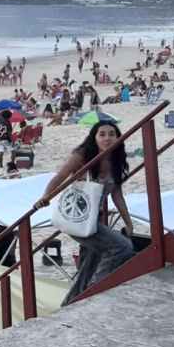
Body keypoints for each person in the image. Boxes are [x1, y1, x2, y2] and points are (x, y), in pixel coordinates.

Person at [36, 121, 136, 305]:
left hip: (94, 219)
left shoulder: (116, 160)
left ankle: (70, 304)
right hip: (77, 218)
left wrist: (128, 222)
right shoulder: (83, 156)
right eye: (102, 134)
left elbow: (117, 194)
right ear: (94, 137)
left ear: (118, 137)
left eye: (111, 134)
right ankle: (94, 292)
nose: (107, 138)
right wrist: (46, 196)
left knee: (89, 267)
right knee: (122, 247)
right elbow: (60, 176)